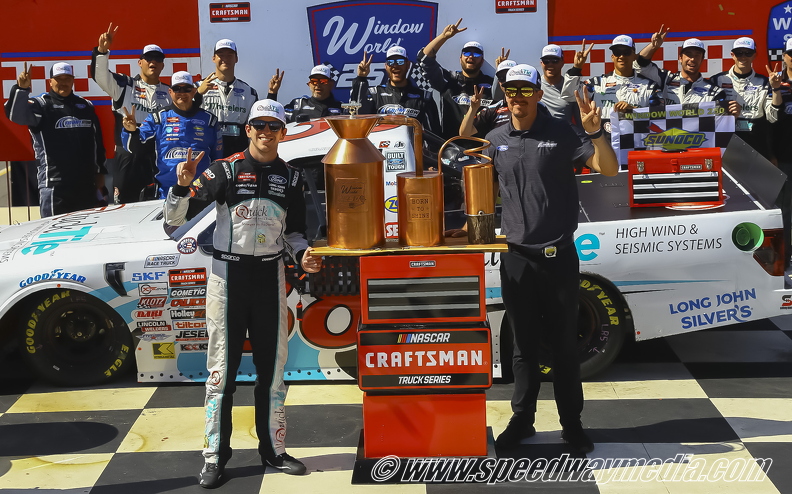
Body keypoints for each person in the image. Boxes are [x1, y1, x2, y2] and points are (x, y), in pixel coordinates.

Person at [162, 99, 322, 488]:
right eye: (259, 125)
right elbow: (173, 223)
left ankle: (273, 451)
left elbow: (296, 234)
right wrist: (182, 185)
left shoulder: (293, 178)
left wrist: (304, 257)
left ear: (284, 133)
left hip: (269, 281)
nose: (266, 132)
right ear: (247, 129)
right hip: (227, 279)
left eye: (274, 126)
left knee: (272, 376)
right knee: (221, 376)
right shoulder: (225, 170)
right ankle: (214, 457)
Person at [485, 64, 618, 453]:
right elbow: (481, 187)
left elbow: (607, 168)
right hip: (516, 259)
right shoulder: (494, 138)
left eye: (526, 91)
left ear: (538, 95)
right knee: (523, 348)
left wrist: (595, 133)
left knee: (562, 346)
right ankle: (522, 420)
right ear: (505, 95)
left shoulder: (562, 133)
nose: (518, 98)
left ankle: (571, 425)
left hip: (558, 256)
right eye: (511, 91)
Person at [5, 62, 107, 217]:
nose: (63, 83)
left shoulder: (85, 106)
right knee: (55, 235)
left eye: (67, 78)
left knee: (87, 235)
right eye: (59, 79)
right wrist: (21, 89)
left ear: (73, 80)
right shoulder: (41, 105)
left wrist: (100, 174)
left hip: (85, 185)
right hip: (54, 187)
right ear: (50, 81)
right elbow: (15, 116)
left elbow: (97, 143)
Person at [91, 22, 171, 203]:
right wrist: (102, 52)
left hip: (156, 158)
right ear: (140, 62)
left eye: (158, 59)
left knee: (157, 207)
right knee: (125, 208)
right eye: (149, 58)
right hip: (128, 158)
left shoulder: (169, 93)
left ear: (162, 65)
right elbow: (100, 76)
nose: (153, 62)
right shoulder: (124, 86)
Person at [121, 71, 222, 198]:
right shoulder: (158, 117)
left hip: (201, 191)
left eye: (186, 89)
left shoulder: (210, 120)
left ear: (193, 91)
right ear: (170, 92)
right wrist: (131, 131)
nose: (182, 93)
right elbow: (133, 148)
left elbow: (217, 158)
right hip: (167, 191)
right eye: (177, 89)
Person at [197, 39, 283, 154]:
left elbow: (261, 120)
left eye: (229, 55)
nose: (225, 59)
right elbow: (186, 114)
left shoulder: (249, 92)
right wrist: (197, 93)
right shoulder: (198, 87)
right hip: (206, 150)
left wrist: (272, 93)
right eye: (221, 55)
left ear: (236, 59)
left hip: (237, 152)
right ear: (213, 58)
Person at [416, 18, 494, 138]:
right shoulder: (448, 80)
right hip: (451, 149)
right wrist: (444, 36)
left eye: (476, 53)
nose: (471, 56)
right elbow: (424, 58)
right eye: (467, 53)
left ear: (482, 60)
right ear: (460, 58)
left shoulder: (491, 84)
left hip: (483, 149)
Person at [568, 35, 660, 136]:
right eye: (617, 52)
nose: (621, 56)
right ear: (612, 57)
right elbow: (569, 95)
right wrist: (576, 68)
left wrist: (633, 110)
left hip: (636, 145)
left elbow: (659, 117)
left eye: (626, 52)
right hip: (604, 144)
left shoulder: (649, 86)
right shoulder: (597, 83)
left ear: (634, 56)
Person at [710, 37, 777, 161]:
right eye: (739, 53)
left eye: (748, 53)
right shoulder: (717, 80)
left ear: (754, 55)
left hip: (756, 144)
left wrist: (776, 89)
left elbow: (773, 117)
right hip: (727, 143)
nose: (743, 57)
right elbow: (707, 115)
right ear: (732, 55)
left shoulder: (764, 82)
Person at [635, 26, 734, 109]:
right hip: (667, 132)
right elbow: (640, 65)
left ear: (702, 59)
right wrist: (653, 47)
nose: (692, 59)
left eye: (697, 55)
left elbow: (720, 122)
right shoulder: (665, 79)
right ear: (680, 58)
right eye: (688, 54)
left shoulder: (713, 91)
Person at [351, 46, 441, 134]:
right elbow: (358, 119)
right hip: (380, 148)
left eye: (400, 62)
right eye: (391, 62)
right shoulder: (375, 94)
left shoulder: (423, 97)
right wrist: (361, 78)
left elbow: (434, 134)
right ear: (386, 66)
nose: (395, 66)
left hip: (412, 148)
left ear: (408, 65)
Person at [770, 39, 792, 265]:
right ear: (783, 56)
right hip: (785, 158)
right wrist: (771, 154)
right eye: (791, 53)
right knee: (784, 211)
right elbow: (770, 123)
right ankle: (784, 260)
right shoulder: (775, 83)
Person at [459, 59, 515, 137]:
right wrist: (473, 109)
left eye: (510, 76)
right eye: (502, 77)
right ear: (498, 82)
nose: (506, 81)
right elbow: (464, 133)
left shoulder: (533, 105)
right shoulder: (493, 110)